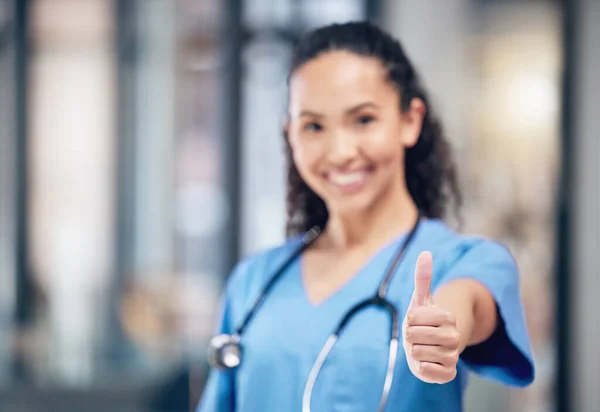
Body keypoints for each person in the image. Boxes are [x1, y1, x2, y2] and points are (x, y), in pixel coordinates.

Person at [197, 21, 534, 412]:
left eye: (363, 120)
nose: (340, 152)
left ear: (410, 120)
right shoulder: (253, 281)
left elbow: (466, 304)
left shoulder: (464, 261)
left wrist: (443, 329)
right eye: (313, 126)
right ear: (291, 136)